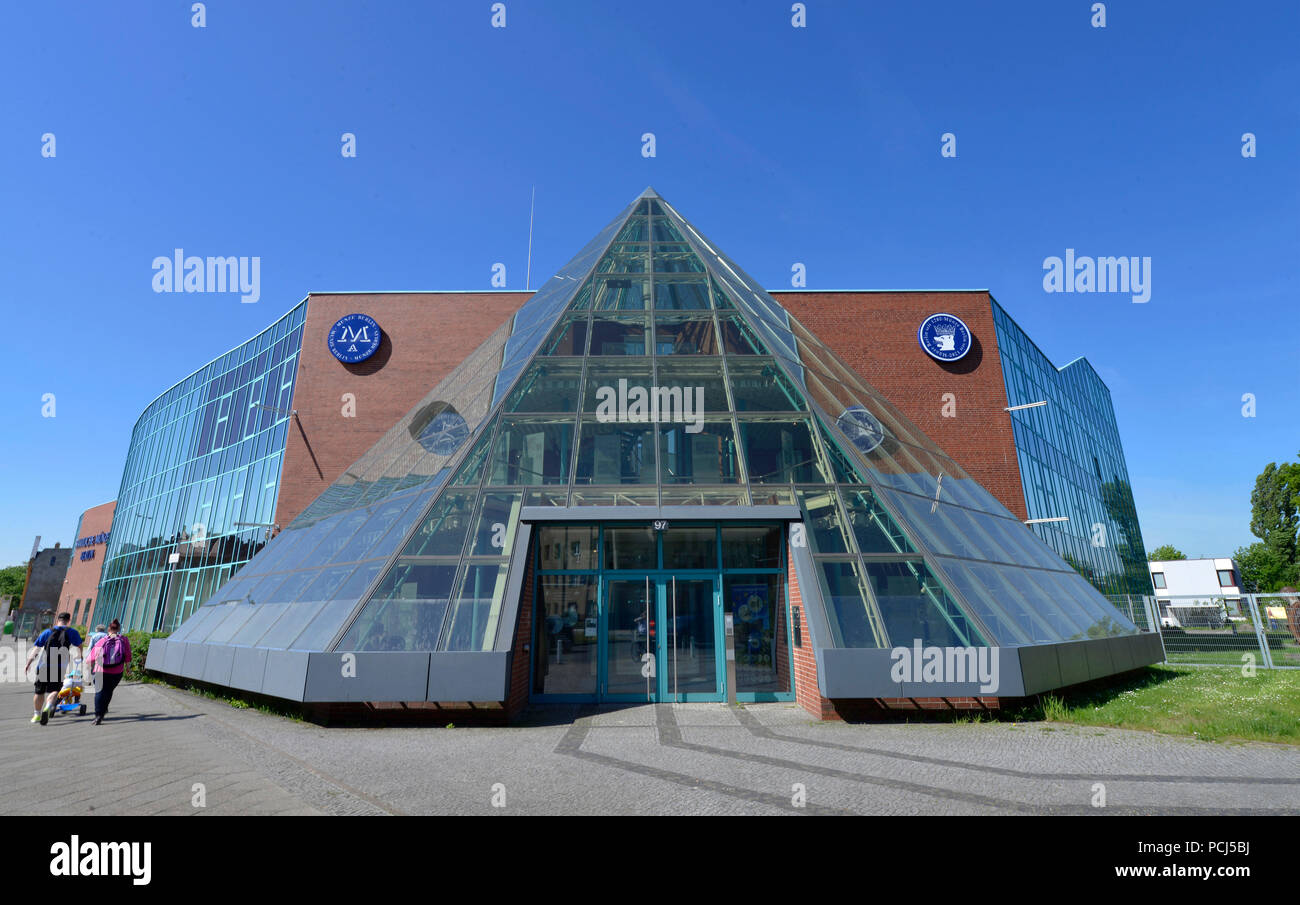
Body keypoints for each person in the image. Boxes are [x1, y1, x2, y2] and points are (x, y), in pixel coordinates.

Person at [26, 612, 83, 725]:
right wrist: (80, 655)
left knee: (39, 691)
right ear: (68, 620)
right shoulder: (72, 632)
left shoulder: (47, 632)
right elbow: (80, 645)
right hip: (59, 667)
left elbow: (36, 649)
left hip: (43, 665)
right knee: (55, 690)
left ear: (57, 620)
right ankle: (48, 706)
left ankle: (37, 714)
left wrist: (29, 662)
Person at [84, 620, 132, 725]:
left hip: (100, 671)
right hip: (116, 671)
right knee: (109, 691)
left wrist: (89, 668)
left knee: (99, 692)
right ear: (118, 629)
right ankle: (104, 710)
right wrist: (128, 668)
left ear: (108, 630)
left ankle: (98, 715)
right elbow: (128, 655)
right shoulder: (124, 640)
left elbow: (90, 658)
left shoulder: (102, 640)